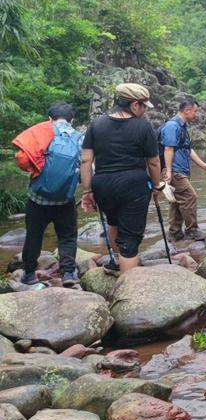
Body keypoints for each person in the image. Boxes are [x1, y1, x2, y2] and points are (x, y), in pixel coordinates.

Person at [80, 83, 161, 273]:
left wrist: (87, 190)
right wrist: (157, 185)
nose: (144, 112)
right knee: (130, 240)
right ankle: (128, 286)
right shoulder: (143, 126)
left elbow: (85, 160)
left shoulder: (96, 124)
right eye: (143, 107)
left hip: (103, 185)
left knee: (113, 221)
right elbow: (154, 162)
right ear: (134, 105)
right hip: (133, 185)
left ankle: (119, 261)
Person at [14, 103, 82, 287]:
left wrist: (35, 170)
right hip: (65, 200)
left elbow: (21, 159)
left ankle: (29, 273)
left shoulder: (41, 135)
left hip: (38, 199)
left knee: (34, 235)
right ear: (72, 120)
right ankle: (68, 273)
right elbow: (87, 168)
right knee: (67, 236)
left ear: (50, 119)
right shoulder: (79, 138)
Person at [159, 96, 206, 242]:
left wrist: (203, 165)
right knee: (190, 197)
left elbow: (188, 150)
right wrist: (169, 172)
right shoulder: (173, 126)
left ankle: (175, 232)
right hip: (174, 170)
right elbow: (168, 149)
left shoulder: (182, 126)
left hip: (181, 170)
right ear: (187, 110)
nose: (196, 115)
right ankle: (192, 230)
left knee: (178, 200)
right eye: (195, 111)